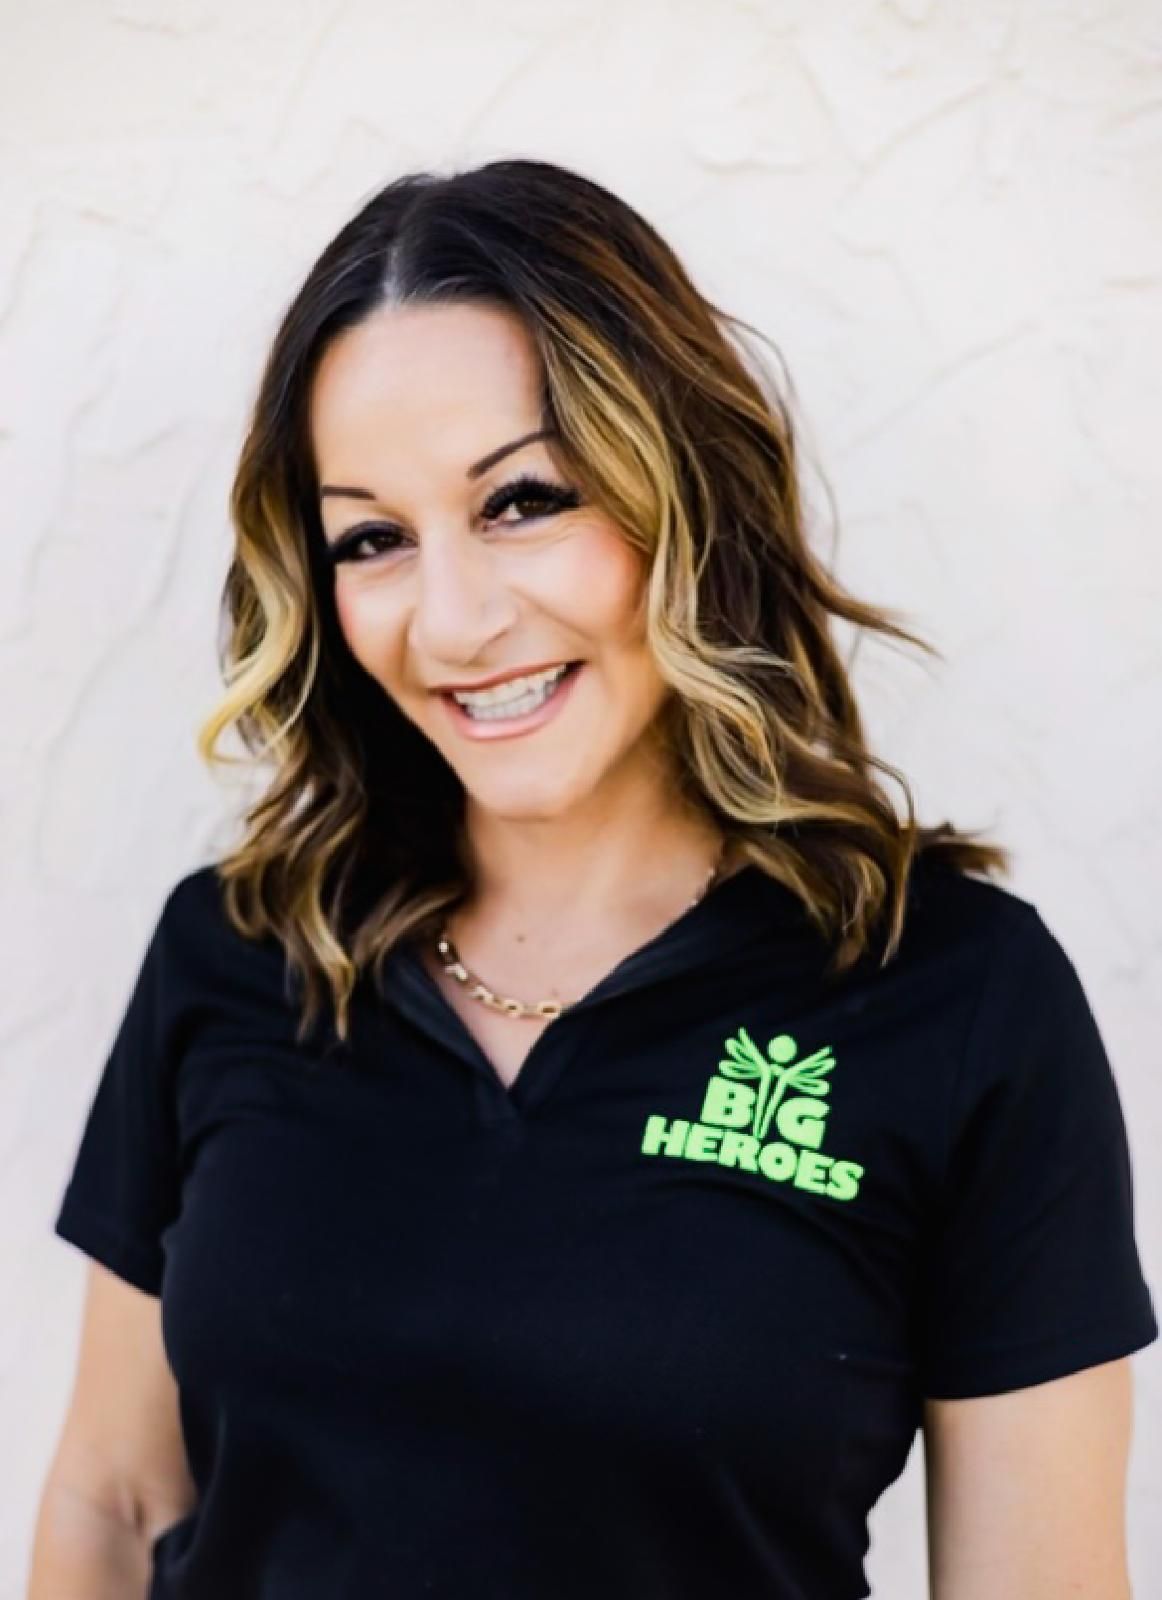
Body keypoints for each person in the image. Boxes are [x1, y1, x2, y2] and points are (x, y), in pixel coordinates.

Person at [29, 158, 1157, 1600]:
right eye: (371, 537)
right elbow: (116, 1503)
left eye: (522, 502)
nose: (451, 622)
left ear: (681, 491)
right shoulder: (241, 947)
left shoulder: (950, 994)